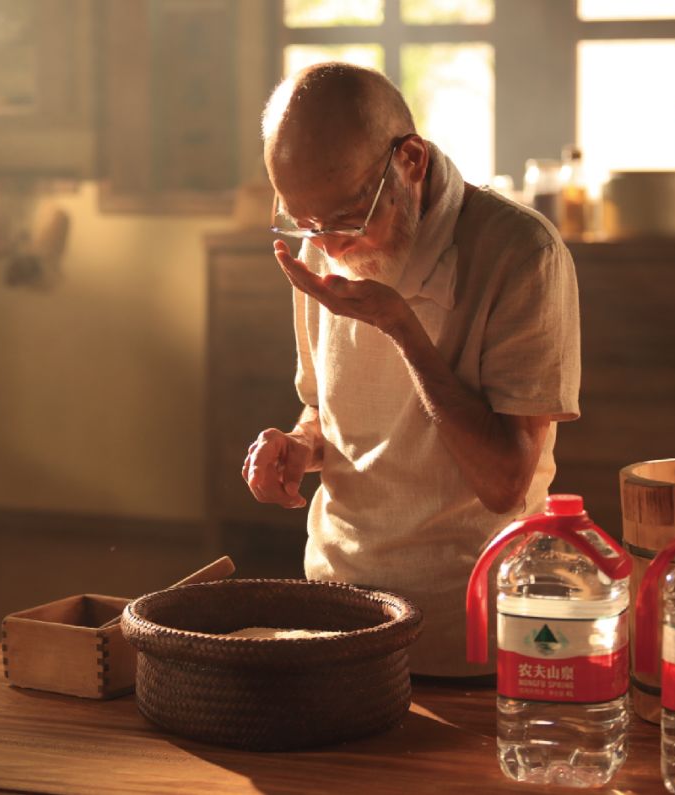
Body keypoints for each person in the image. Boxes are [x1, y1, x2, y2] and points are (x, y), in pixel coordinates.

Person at [241, 62, 581, 677]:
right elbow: (327, 409)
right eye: (305, 221)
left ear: (412, 161)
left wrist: (401, 327)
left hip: (470, 623)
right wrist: (298, 444)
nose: (331, 245)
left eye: (348, 217)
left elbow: (505, 484)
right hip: (337, 606)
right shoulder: (320, 243)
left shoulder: (521, 254)